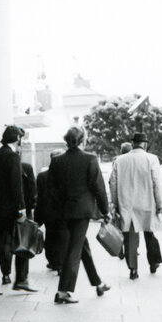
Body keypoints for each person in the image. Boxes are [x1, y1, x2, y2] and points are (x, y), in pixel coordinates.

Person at [48, 126, 110, 304]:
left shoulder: (57, 161)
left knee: (81, 246)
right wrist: (105, 211)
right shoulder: (90, 159)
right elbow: (99, 187)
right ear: (83, 140)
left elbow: (51, 189)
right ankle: (63, 291)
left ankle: (98, 283)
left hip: (64, 210)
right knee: (75, 249)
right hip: (82, 211)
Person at [0, 125, 35, 295]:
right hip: (10, 210)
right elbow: (16, 185)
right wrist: (21, 207)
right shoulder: (12, 157)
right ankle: (21, 279)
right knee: (23, 240)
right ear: (17, 138)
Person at [108, 132, 162, 280]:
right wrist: (161, 204)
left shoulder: (119, 160)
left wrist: (114, 203)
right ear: (145, 144)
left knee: (130, 238)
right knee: (149, 233)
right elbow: (157, 183)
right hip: (147, 202)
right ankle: (154, 262)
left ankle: (133, 269)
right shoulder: (152, 159)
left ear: (133, 143)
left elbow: (113, 183)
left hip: (126, 204)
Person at [36, 151, 66, 272]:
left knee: (50, 237)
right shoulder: (66, 175)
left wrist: (38, 217)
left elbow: (39, 198)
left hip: (48, 213)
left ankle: (53, 262)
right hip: (63, 212)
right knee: (62, 238)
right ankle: (60, 264)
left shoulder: (42, 176)